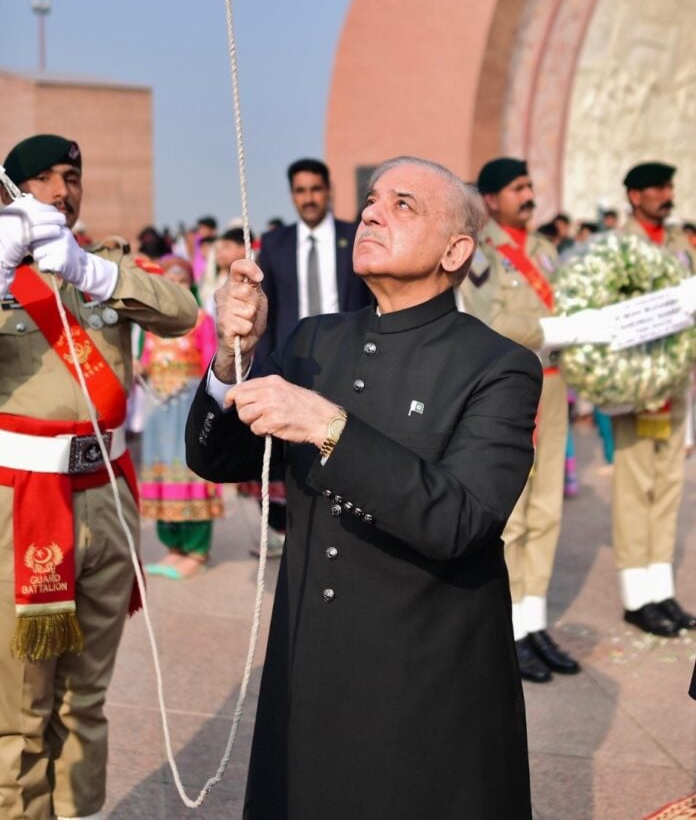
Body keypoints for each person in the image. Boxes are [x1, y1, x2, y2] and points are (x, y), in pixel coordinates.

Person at [186, 155, 543, 819]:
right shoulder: (313, 339)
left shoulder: (500, 367)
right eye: (374, 199)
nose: (372, 212)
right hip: (310, 658)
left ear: (455, 249)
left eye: (403, 205)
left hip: (424, 673)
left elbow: (462, 520)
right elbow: (217, 458)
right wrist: (233, 357)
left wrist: (329, 426)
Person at [0, 133, 198, 820]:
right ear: (13, 190)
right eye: (45, 179)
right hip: (24, 508)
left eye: (71, 176)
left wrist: (94, 274)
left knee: (86, 703)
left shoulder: (102, 263)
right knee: (20, 716)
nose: (62, 190)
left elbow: (184, 313)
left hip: (106, 498)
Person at [459, 157, 611, 682]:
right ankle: (509, 629)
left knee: (546, 509)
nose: (529, 194)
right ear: (494, 199)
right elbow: (489, 319)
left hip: (553, 386)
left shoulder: (546, 250)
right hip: (511, 388)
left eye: (529, 185)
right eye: (518, 188)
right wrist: (558, 328)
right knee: (516, 513)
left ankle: (533, 620)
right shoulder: (481, 252)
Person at [249, 158, 371, 557]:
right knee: (299, 454)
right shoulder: (276, 244)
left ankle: (352, 530)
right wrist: (266, 371)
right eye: (301, 191)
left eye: (315, 189)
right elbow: (268, 312)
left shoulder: (355, 236)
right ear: (292, 195)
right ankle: (303, 534)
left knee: (349, 442)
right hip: (296, 364)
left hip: (350, 361)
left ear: (328, 190)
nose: (309, 198)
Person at [610, 162, 696, 636]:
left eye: (670, 185)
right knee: (634, 487)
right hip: (638, 384)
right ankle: (635, 597)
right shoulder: (618, 247)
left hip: (676, 381)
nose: (667, 194)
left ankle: (661, 589)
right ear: (634, 196)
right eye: (657, 188)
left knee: (668, 486)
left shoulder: (681, 243)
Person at [140, 255, 223, 579]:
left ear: (188, 283)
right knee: (162, 477)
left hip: (188, 408)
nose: (174, 286)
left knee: (192, 475)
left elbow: (212, 365)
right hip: (158, 411)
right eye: (168, 281)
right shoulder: (152, 323)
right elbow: (146, 360)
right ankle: (173, 546)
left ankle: (197, 550)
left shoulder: (202, 321)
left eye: (179, 280)